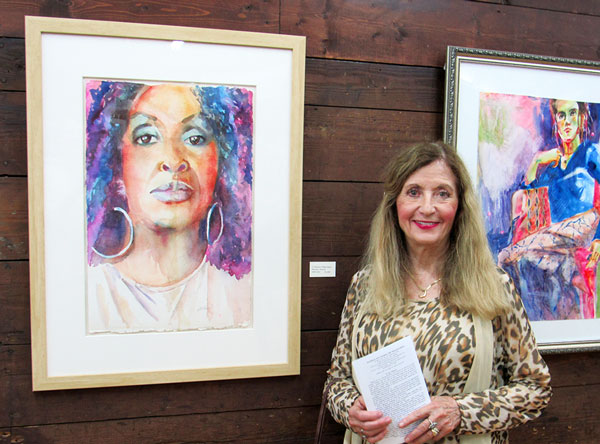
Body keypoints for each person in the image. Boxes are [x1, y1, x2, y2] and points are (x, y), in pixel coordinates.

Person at [325, 142, 551, 443]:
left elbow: (535, 388)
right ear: (395, 204)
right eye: (414, 192)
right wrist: (349, 410)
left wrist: (461, 411)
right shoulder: (364, 286)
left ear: (459, 207)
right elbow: (337, 382)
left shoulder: (494, 287)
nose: (427, 207)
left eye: (442, 193)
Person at [85, 81, 253, 333]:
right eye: (147, 137)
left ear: (222, 163)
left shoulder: (244, 294)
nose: (173, 161)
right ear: (117, 166)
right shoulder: (87, 295)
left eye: (195, 138)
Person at [498, 99, 600, 320]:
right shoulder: (552, 166)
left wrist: (599, 239)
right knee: (509, 258)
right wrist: (536, 162)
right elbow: (530, 204)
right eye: (561, 115)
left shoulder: (591, 153)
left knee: (509, 256)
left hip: (584, 228)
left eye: (572, 113)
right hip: (557, 237)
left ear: (582, 117)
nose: (567, 122)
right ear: (555, 119)